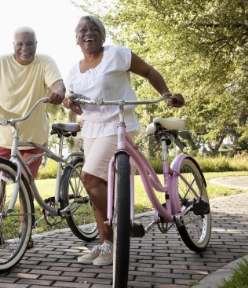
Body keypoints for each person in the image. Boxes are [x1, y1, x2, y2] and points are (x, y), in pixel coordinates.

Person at [63, 15, 184, 266]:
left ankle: (121, 225)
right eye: (82, 30)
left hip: (119, 123)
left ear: (102, 35)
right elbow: (74, 102)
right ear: (76, 39)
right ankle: (106, 245)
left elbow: (149, 71)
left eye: (93, 28)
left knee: (89, 178)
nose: (88, 33)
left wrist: (165, 93)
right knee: (96, 186)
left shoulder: (117, 54)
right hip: (92, 128)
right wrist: (69, 103)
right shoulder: (73, 71)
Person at [0, 26, 65, 249]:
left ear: (36, 45)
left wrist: (58, 91)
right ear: (13, 46)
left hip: (32, 136)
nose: (24, 48)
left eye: (29, 43)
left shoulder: (44, 62)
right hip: (2, 134)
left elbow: (57, 83)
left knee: (25, 183)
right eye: (19, 44)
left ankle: (25, 231)